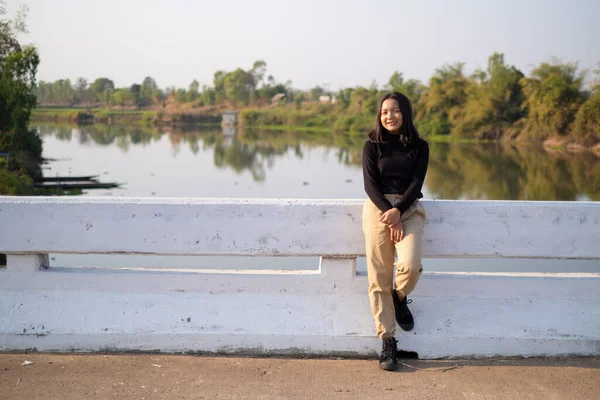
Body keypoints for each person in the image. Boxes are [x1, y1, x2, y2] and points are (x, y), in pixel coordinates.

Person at [362, 92, 429, 371]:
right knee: (378, 275)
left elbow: (416, 183)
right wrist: (388, 213)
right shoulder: (371, 145)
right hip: (378, 209)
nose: (390, 116)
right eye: (385, 112)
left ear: (406, 113)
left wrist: (399, 211)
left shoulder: (420, 146)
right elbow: (370, 184)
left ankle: (399, 298)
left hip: (409, 208)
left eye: (396, 111)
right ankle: (388, 341)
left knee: (410, 266)